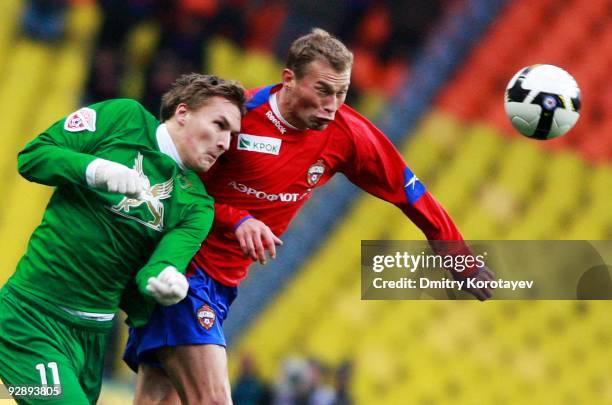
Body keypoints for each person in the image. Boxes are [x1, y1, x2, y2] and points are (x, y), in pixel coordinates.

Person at [125, 28, 495, 404]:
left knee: (157, 400)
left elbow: (412, 195)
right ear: (289, 79)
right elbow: (175, 190)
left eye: (342, 93)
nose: (332, 105)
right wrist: (238, 219)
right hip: (183, 268)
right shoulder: (237, 119)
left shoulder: (347, 134)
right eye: (322, 90)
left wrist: (460, 257)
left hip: (224, 282)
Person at [0, 73, 244, 404]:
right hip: (31, 319)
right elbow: (33, 157)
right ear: (183, 113)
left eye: (232, 134)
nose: (225, 143)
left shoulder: (197, 206)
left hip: (93, 338)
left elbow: (156, 269)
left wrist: (168, 281)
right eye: (219, 124)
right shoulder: (123, 118)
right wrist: (95, 170)